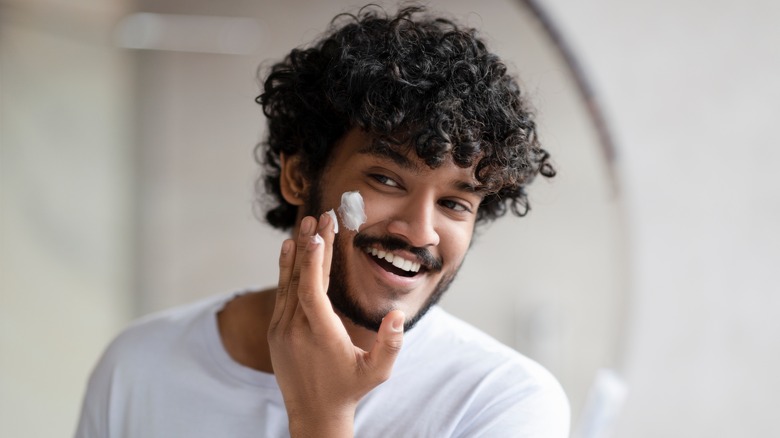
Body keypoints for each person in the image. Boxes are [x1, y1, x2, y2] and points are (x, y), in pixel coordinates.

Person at [75, 5, 570, 437]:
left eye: (455, 204)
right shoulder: (140, 365)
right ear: (297, 175)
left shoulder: (503, 403)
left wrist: (322, 417)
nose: (420, 232)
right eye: (387, 179)